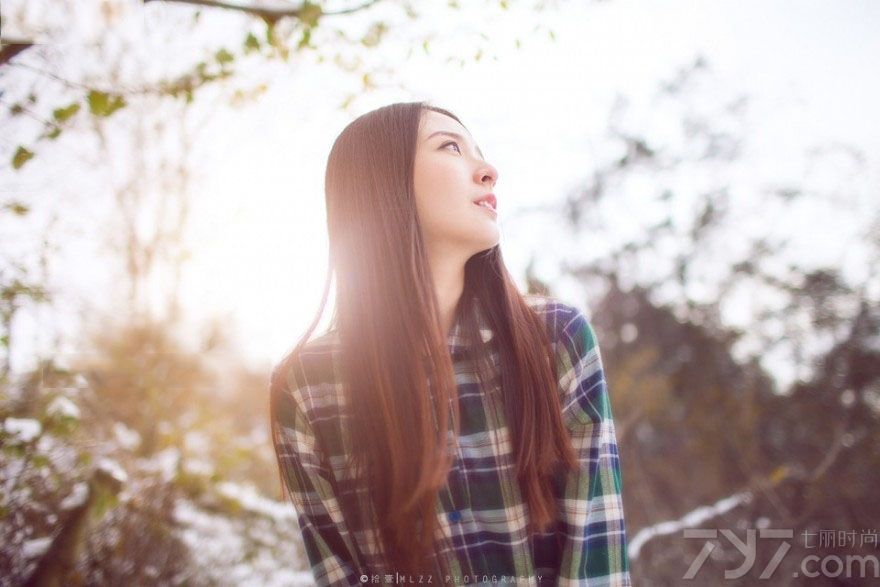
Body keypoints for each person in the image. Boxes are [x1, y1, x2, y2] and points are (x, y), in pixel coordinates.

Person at [268, 101, 632, 586]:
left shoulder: (556, 341)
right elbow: (340, 574)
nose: (488, 171)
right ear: (383, 183)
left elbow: (596, 565)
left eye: (478, 151)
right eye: (451, 147)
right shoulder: (305, 387)